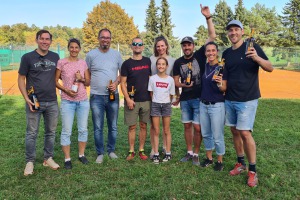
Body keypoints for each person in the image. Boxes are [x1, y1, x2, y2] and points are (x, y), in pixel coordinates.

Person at [223, 20, 273, 187]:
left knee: (245, 133)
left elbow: (270, 67)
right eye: (230, 30)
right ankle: (240, 163)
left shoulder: (252, 47)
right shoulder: (226, 53)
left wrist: (256, 58)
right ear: (228, 34)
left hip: (247, 99)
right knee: (235, 131)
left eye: (236, 29)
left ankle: (252, 171)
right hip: (230, 99)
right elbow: (225, 76)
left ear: (242, 32)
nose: (233, 33)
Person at [173, 4, 216, 166]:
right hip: (185, 99)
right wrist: (181, 86)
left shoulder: (200, 55)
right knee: (187, 127)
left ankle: (197, 153)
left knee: (198, 128)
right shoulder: (178, 62)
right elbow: (176, 81)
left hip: (199, 98)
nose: (187, 47)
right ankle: (189, 152)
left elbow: (212, 36)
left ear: (193, 46)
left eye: (189, 44)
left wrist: (208, 17)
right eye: (184, 45)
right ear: (182, 47)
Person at [18, 30, 60, 176]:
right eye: (42, 39)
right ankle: (29, 161)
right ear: (36, 40)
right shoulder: (27, 57)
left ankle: (47, 158)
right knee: (31, 133)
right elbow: (21, 79)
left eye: (47, 39)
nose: (44, 41)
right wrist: (26, 98)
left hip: (52, 102)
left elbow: (57, 78)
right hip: (34, 101)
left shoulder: (55, 56)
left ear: (50, 41)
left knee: (51, 132)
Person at [86, 28, 123, 164]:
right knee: (98, 126)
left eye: (107, 37)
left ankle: (111, 150)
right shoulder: (91, 55)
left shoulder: (116, 55)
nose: (105, 40)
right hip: (96, 97)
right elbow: (87, 73)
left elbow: (122, 74)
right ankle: (100, 152)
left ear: (110, 39)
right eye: (103, 37)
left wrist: (116, 82)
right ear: (98, 38)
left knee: (113, 125)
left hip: (113, 96)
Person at [55, 38, 91, 169]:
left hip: (82, 101)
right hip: (67, 101)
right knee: (66, 130)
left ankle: (81, 155)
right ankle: (67, 158)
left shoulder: (83, 63)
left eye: (76, 47)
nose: (74, 49)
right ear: (68, 48)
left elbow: (88, 82)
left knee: (83, 129)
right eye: (72, 47)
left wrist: (81, 79)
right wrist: (66, 90)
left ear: (79, 49)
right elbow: (55, 81)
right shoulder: (62, 62)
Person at [120, 37, 151, 161]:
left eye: (139, 44)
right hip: (132, 101)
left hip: (146, 100)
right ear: (131, 46)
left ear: (143, 47)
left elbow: (151, 79)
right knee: (132, 127)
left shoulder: (148, 61)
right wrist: (127, 99)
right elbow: (122, 83)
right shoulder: (126, 64)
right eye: (135, 44)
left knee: (143, 125)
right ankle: (131, 150)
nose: (137, 46)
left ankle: (141, 150)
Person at [199, 42, 227, 171]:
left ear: (217, 52)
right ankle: (209, 158)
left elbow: (224, 89)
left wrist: (220, 83)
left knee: (217, 134)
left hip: (217, 105)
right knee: (206, 133)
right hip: (203, 104)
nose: (210, 53)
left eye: (213, 50)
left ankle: (219, 161)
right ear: (205, 53)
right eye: (208, 51)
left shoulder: (222, 67)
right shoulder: (204, 66)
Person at [149, 36, 177, 159]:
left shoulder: (172, 60)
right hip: (154, 95)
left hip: (165, 96)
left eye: (162, 45)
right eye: (158, 46)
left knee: (166, 128)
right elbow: (150, 76)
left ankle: (166, 148)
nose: (160, 48)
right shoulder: (151, 59)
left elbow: (172, 79)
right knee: (154, 126)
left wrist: (174, 97)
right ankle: (153, 149)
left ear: (166, 46)